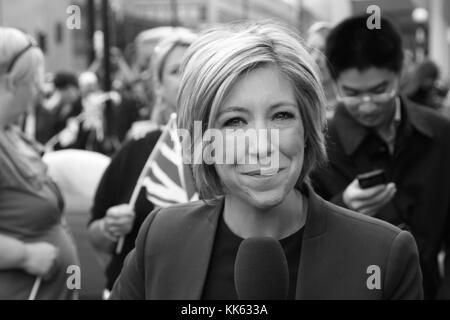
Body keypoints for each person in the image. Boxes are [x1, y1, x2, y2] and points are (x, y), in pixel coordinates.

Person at [109, 22, 423, 300]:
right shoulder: (161, 237)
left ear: (307, 129)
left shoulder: (385, 254)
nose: (261, 146)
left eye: (281, 116)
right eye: (234, 122)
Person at [309, 15, 450, 299]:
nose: (367, 105)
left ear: (399, 75)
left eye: (379, 90)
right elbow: (303, 241)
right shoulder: (318, 144)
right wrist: (343, 208)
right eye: (351, 93)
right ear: (335, 84)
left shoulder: (441, 133)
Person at [87, 30, 197, 294]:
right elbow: (95, 234)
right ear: (158, 87)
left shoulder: (230, 149)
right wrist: (109, 227)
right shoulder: (137, 147)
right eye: (176, 70)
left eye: (197, 66)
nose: (189, 76)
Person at [0, 27, 79, 299]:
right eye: (34, 80)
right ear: (12, 81)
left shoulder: (12, 135)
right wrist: (23, 256)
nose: (38, 91)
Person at [306, 21, 336, 118]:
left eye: (323, 50)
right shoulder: (301, 101)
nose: (316, 58)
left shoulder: (348, 103)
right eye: (311, 50)